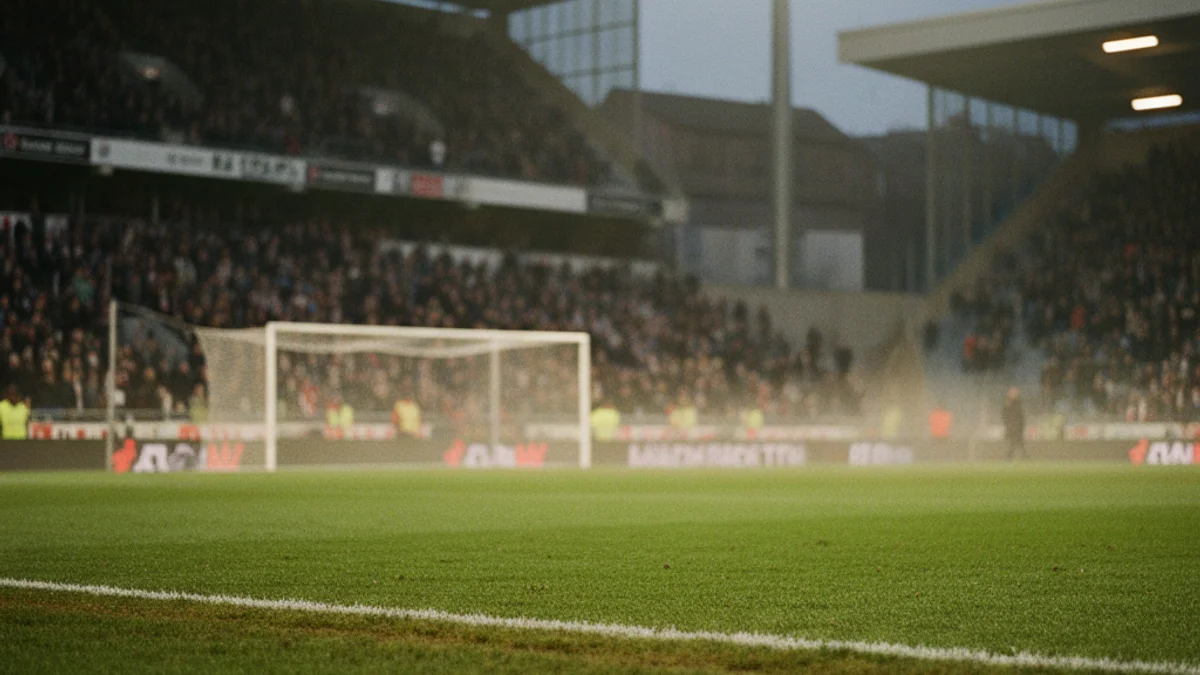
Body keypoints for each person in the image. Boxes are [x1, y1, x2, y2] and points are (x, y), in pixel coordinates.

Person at [1003, 387, 1026, 460]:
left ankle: (1011, 457)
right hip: (1012, 427)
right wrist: (1009, 425)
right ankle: (1023, 456)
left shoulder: (1018, 404)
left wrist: (1021, 425)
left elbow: (1021, 416)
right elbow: (1005, 416)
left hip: (1018, 427)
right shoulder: (1008, 404)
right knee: (1015, 443)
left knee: (1017, 443)